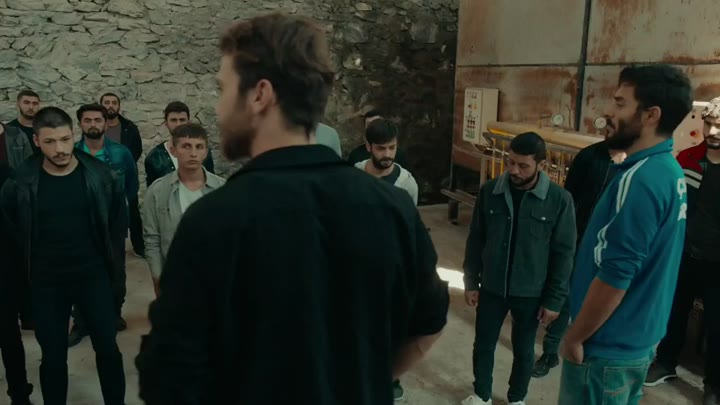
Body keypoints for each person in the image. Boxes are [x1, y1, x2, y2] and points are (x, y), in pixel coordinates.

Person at [135, 12, 449, 405]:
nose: (219, 108)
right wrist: (362, 380)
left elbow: (167, 378)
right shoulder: (393, 207)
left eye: (223, 89)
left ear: (260, 94)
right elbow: (430, 322)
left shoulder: (212, 220)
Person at [558, 64, 692, 405]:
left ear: (650, 115)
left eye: (620, 103)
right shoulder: (669, 170)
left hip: (606, 348)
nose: (610, 112)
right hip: (635, 340)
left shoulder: (641, 180)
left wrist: (575, 336)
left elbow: (616, 275)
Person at [0, 107, 126, 405]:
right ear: (36, 142)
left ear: (73, 135)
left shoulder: (100, 176)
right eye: (50, 141)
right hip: (47, 284)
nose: (60, 149)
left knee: (108, 349)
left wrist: (115, 279)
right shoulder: (19, 184)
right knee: (53, 356)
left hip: (93, 277)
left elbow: (116, 229)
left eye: (65, 139)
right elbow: (13, 237)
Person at [461, 132, 577, 405]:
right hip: (492, 286)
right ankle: (481, 396)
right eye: (510, 162)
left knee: (524, 350)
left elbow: (564, 254)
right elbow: (476, 239)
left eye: (523, 165)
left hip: (531, 292)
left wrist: (554, 300)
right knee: (483, 344)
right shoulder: (490, 192)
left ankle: (516, 399)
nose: (513, 170)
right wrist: (471, 281)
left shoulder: (559, 200)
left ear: (541, 165)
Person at [644, 96, 720, 405]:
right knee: (674, 311)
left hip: (717, 264)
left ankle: (714, 385)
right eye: (709, 123)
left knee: (716, 325)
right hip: (684, 254)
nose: (712, 131)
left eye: (719, 125)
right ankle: (665, 362)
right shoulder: (687, 158)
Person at [532, 139, 626, 378]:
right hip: (580, 237)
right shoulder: (590, 156)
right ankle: (550, 352)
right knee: (566, 294)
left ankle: (596, 352)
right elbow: (570, 196)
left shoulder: (636, 163)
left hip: (613, 245)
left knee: (603, 298)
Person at [68, 103, 138, 347]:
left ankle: (113, 314)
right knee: (80, 274)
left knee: (115, 273)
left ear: (106, 123)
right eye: (87, 120)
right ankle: (81, 323)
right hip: (81, 226)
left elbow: (131, 187)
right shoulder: (71, 154)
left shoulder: (121, 154)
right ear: (80, 124)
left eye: (97, 120)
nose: (93, 124)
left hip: (113, 225)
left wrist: (117, 213)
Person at [143, 122, 225, 297]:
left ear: (206, 151)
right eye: (186, 146)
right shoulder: (157, 191)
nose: (193, 153)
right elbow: (152, 239)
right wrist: (157, 277)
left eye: (199, 147)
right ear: (173, 150)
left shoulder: (223, 190)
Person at [0, 162, 33, 405]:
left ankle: (19, 395)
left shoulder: (7, 177)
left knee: (8, 337)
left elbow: (18, 233)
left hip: (4, 272)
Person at [100, 92, 145, 257]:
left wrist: (125, 167)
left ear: (119, 106)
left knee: (133, 213)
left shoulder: (129, 127)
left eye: (114, 102)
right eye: (107, 102)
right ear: (101, 105)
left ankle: (139, 246)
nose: (110, 106)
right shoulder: (97, 127)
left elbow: (137, 149)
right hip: (102, 179)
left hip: (125, 178)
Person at [144, 101, 215, 188]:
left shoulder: (202, 152)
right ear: (166, 123)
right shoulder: (155, 157)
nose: (178, 124)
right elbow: (152, 190)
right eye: (173, 120)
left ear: (188, 122)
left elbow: (211, 183)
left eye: (182, 120)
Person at [355, 118, 418, 205]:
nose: (387, 155)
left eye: (392, 147)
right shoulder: (354, 175)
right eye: (381, 148)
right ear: (369, 147)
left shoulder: (407, 184)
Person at [7, 90, 40, 155]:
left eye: (35, 103)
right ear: (18, 104)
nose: (31, 107)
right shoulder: (8, 130)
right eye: (26, 103)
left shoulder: (46, 128)